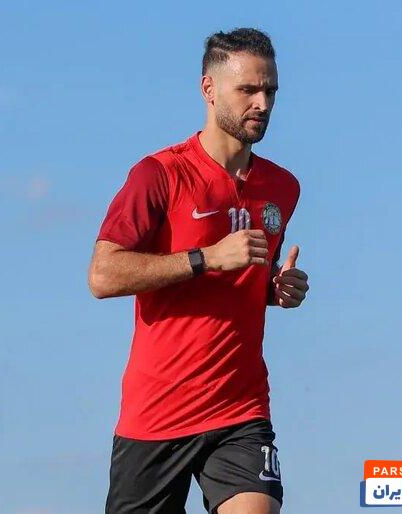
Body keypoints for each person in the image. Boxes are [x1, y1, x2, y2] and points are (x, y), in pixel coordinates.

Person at [89, 27, 309, 514]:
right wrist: (205, 258)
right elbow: (103, 276)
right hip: (156, 415)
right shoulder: (159, 174)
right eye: (247, 90)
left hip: (240, 409)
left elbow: (248, 274)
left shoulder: (283, 187)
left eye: (270, 91)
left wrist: (275, 288)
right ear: (209, 89)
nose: (262, 104)